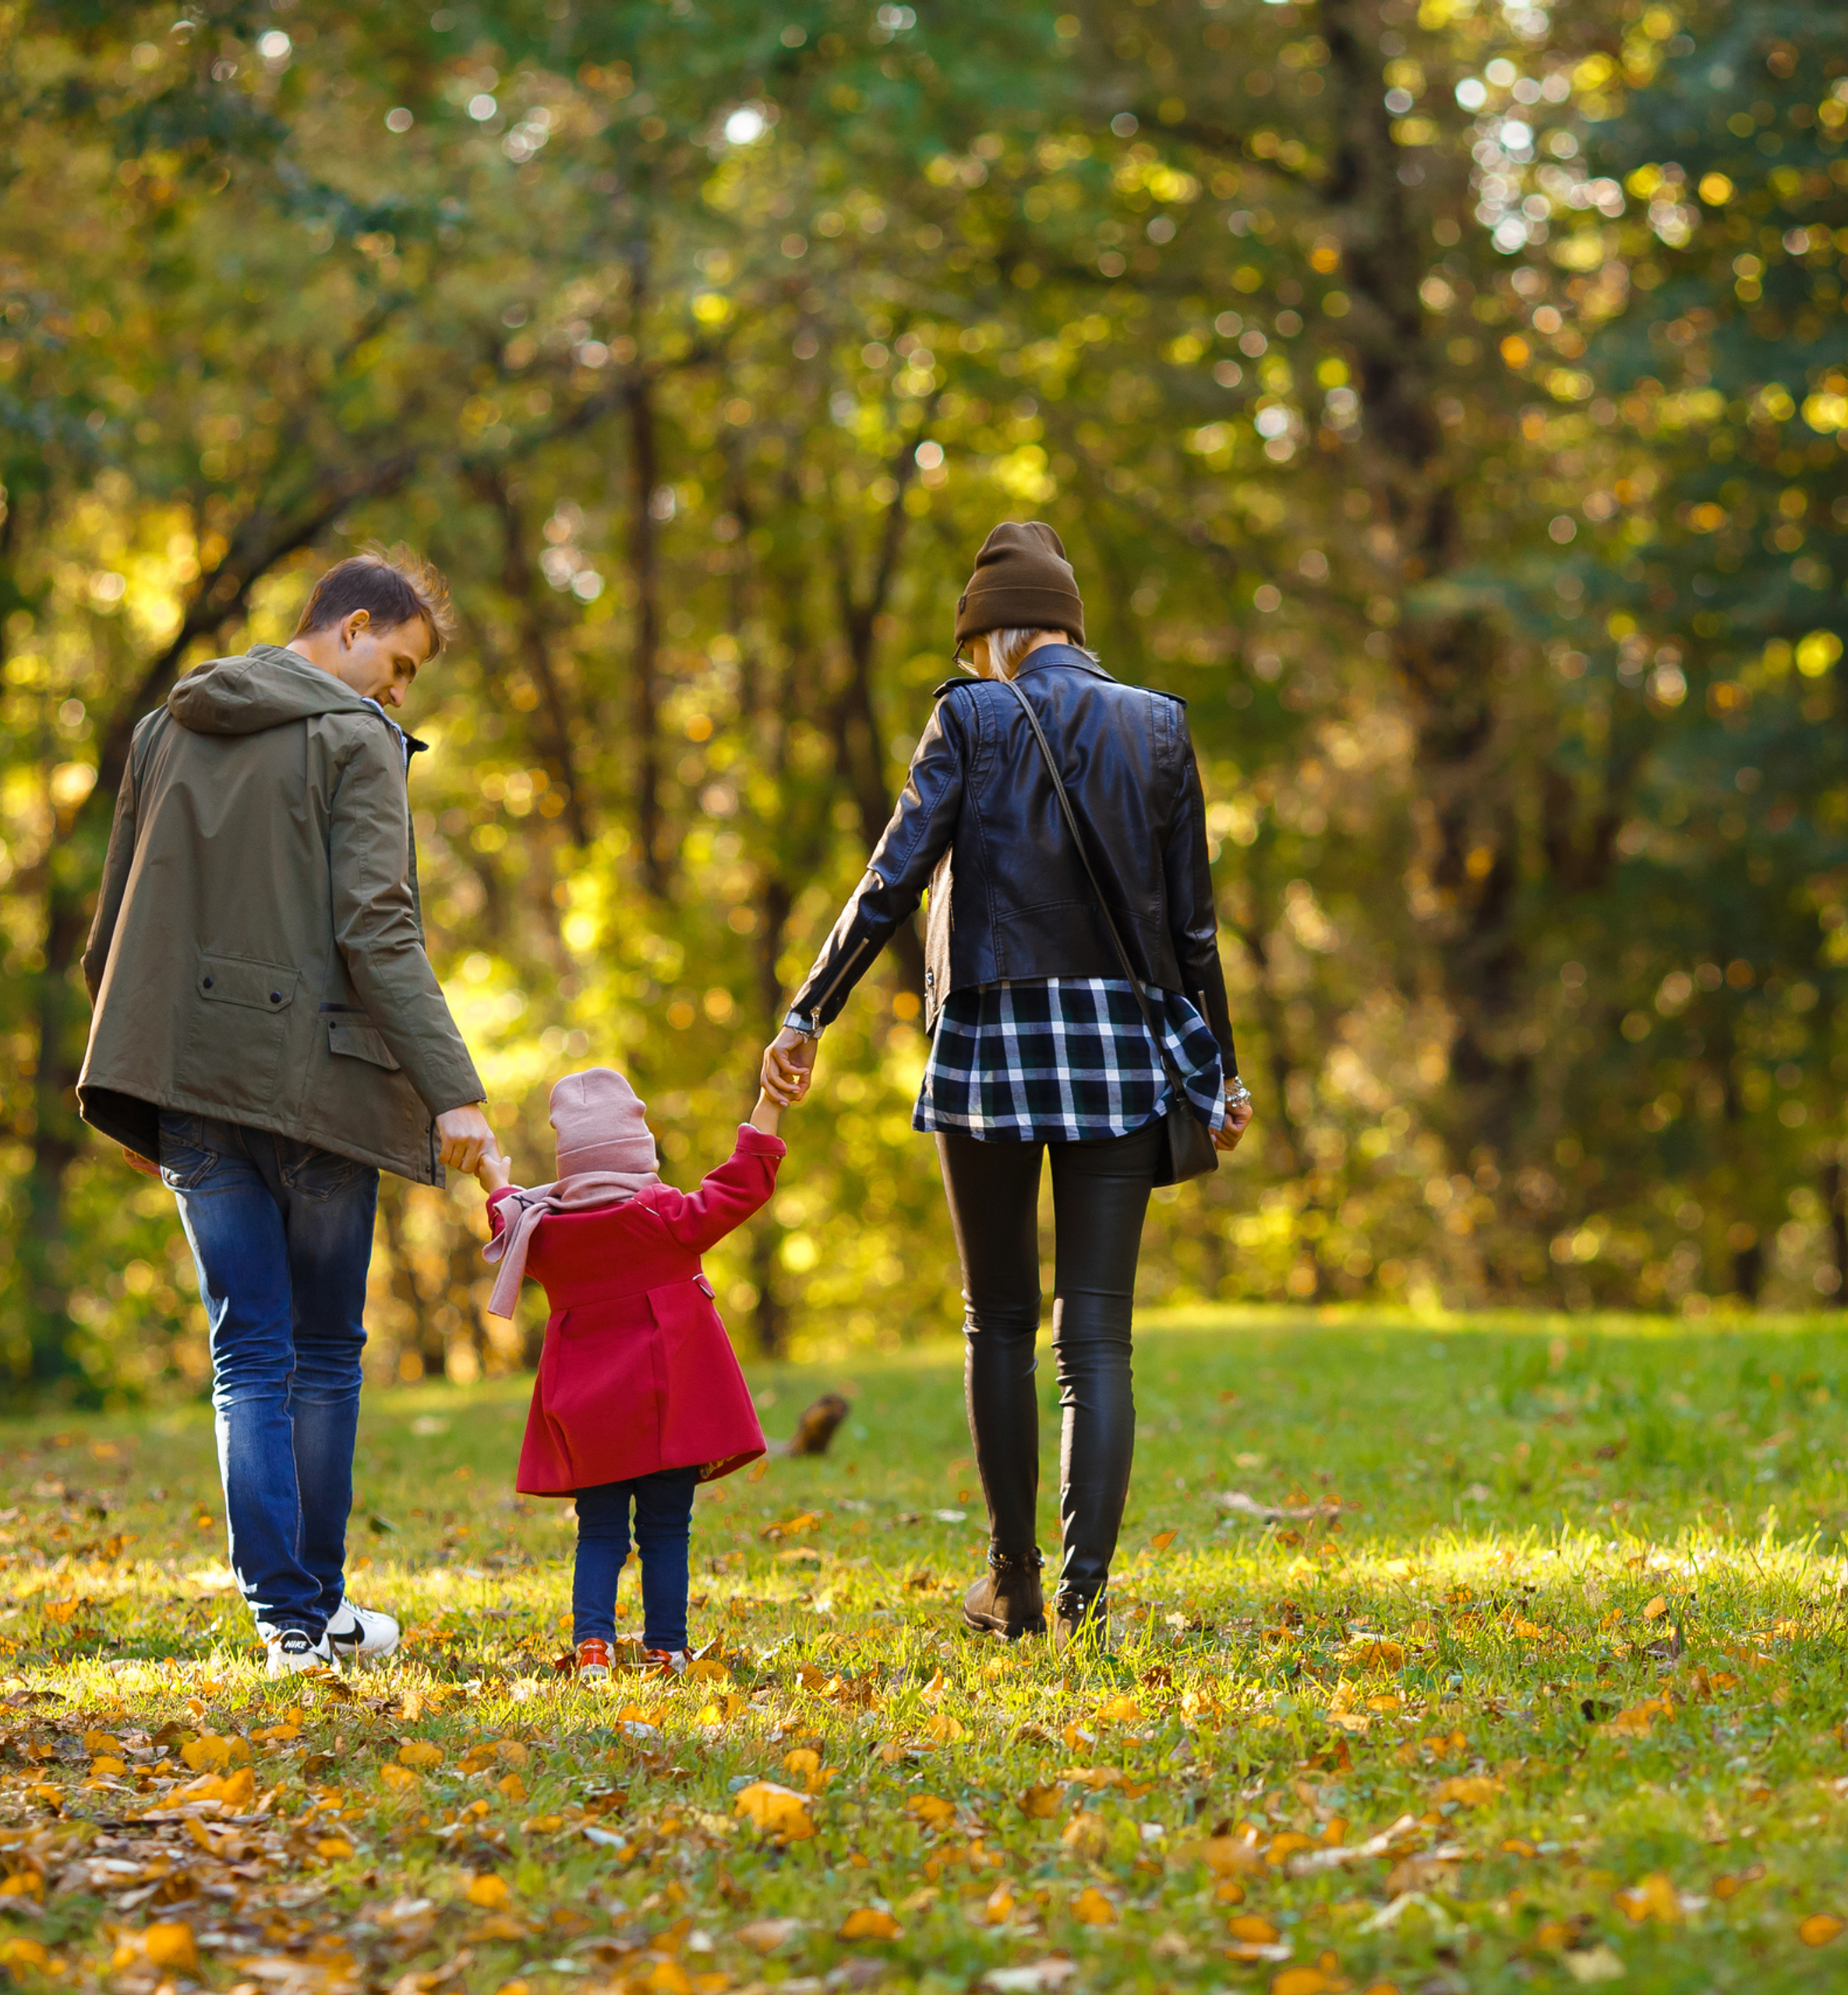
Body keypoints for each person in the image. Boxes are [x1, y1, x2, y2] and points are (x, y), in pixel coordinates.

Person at [761, 521, 1253, 1649]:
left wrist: (811, 1008)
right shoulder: (1159, 723)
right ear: (1070, 625)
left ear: (990, 636)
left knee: (999, 1321)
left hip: (990, 1037)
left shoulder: (971, 715)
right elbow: (1193, 928)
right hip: (1123, 1049)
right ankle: (1084, 1601)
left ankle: (1015, 1586)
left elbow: (894, 873)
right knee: (1100, 1340)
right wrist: (1219, 1070)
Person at [78, 546, 496, 1677]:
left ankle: (291, 1627)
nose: (399, 694)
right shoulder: (354, 740)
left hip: (193, 1081)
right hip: (319, 1088)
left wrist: (145, 1082)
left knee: (246, 1355)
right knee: (319, 1352)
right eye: (400, 665)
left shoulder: (172, 727)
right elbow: (378, 931)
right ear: (354, 627)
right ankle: (312, 1613)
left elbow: (112, 928)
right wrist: (456, 1092)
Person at [477, 1068, 784, 1679]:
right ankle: (666, 1650)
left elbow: (503, 1214)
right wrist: (770, 1100)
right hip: (666, 1415)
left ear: (571, 1165)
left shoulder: (544, 1234)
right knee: (666, 1531)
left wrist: (492, 1170)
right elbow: (744, 1184)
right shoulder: (664, 1216)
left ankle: (594, 1646)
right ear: (640, 1154)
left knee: (599, 1534)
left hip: (589, 1419)